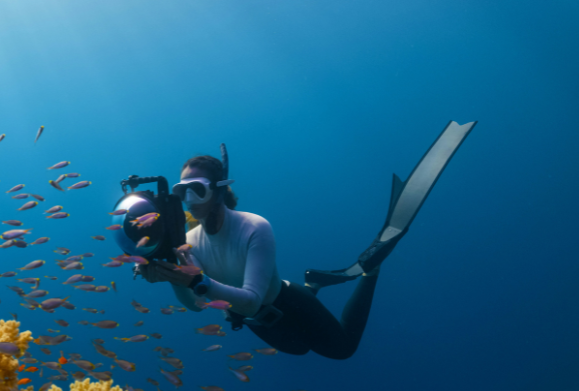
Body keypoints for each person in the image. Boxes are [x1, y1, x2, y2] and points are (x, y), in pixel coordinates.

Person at [138, 122, 476, 360]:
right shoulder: (190, 243)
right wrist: (174, 279)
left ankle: (369, 273)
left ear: (219, 189)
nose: (189, 199)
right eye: (182, 192)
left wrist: (198, 280)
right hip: (254, 321)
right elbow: (194, 304)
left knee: (342, 351)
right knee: (299, 350)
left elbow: (252, 299)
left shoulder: (255, 227)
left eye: (197, 189)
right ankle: (314, 283)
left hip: (284, 301)